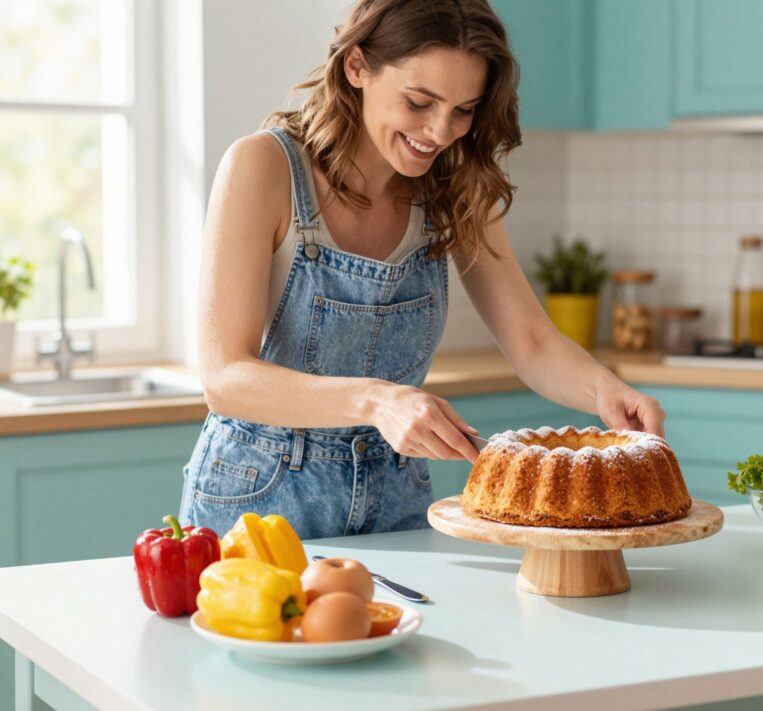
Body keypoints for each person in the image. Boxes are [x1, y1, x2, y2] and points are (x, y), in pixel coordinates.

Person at [179, 0, 666, 539]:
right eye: (419, 102)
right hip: (257, 501)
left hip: (397, 501)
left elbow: (530, 341)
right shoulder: (263, 167)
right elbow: (225, 378)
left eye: (464, 110)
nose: (439, 131)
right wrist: (379, 400)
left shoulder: (455, 188)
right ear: (357, 67)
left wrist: (604, 391)